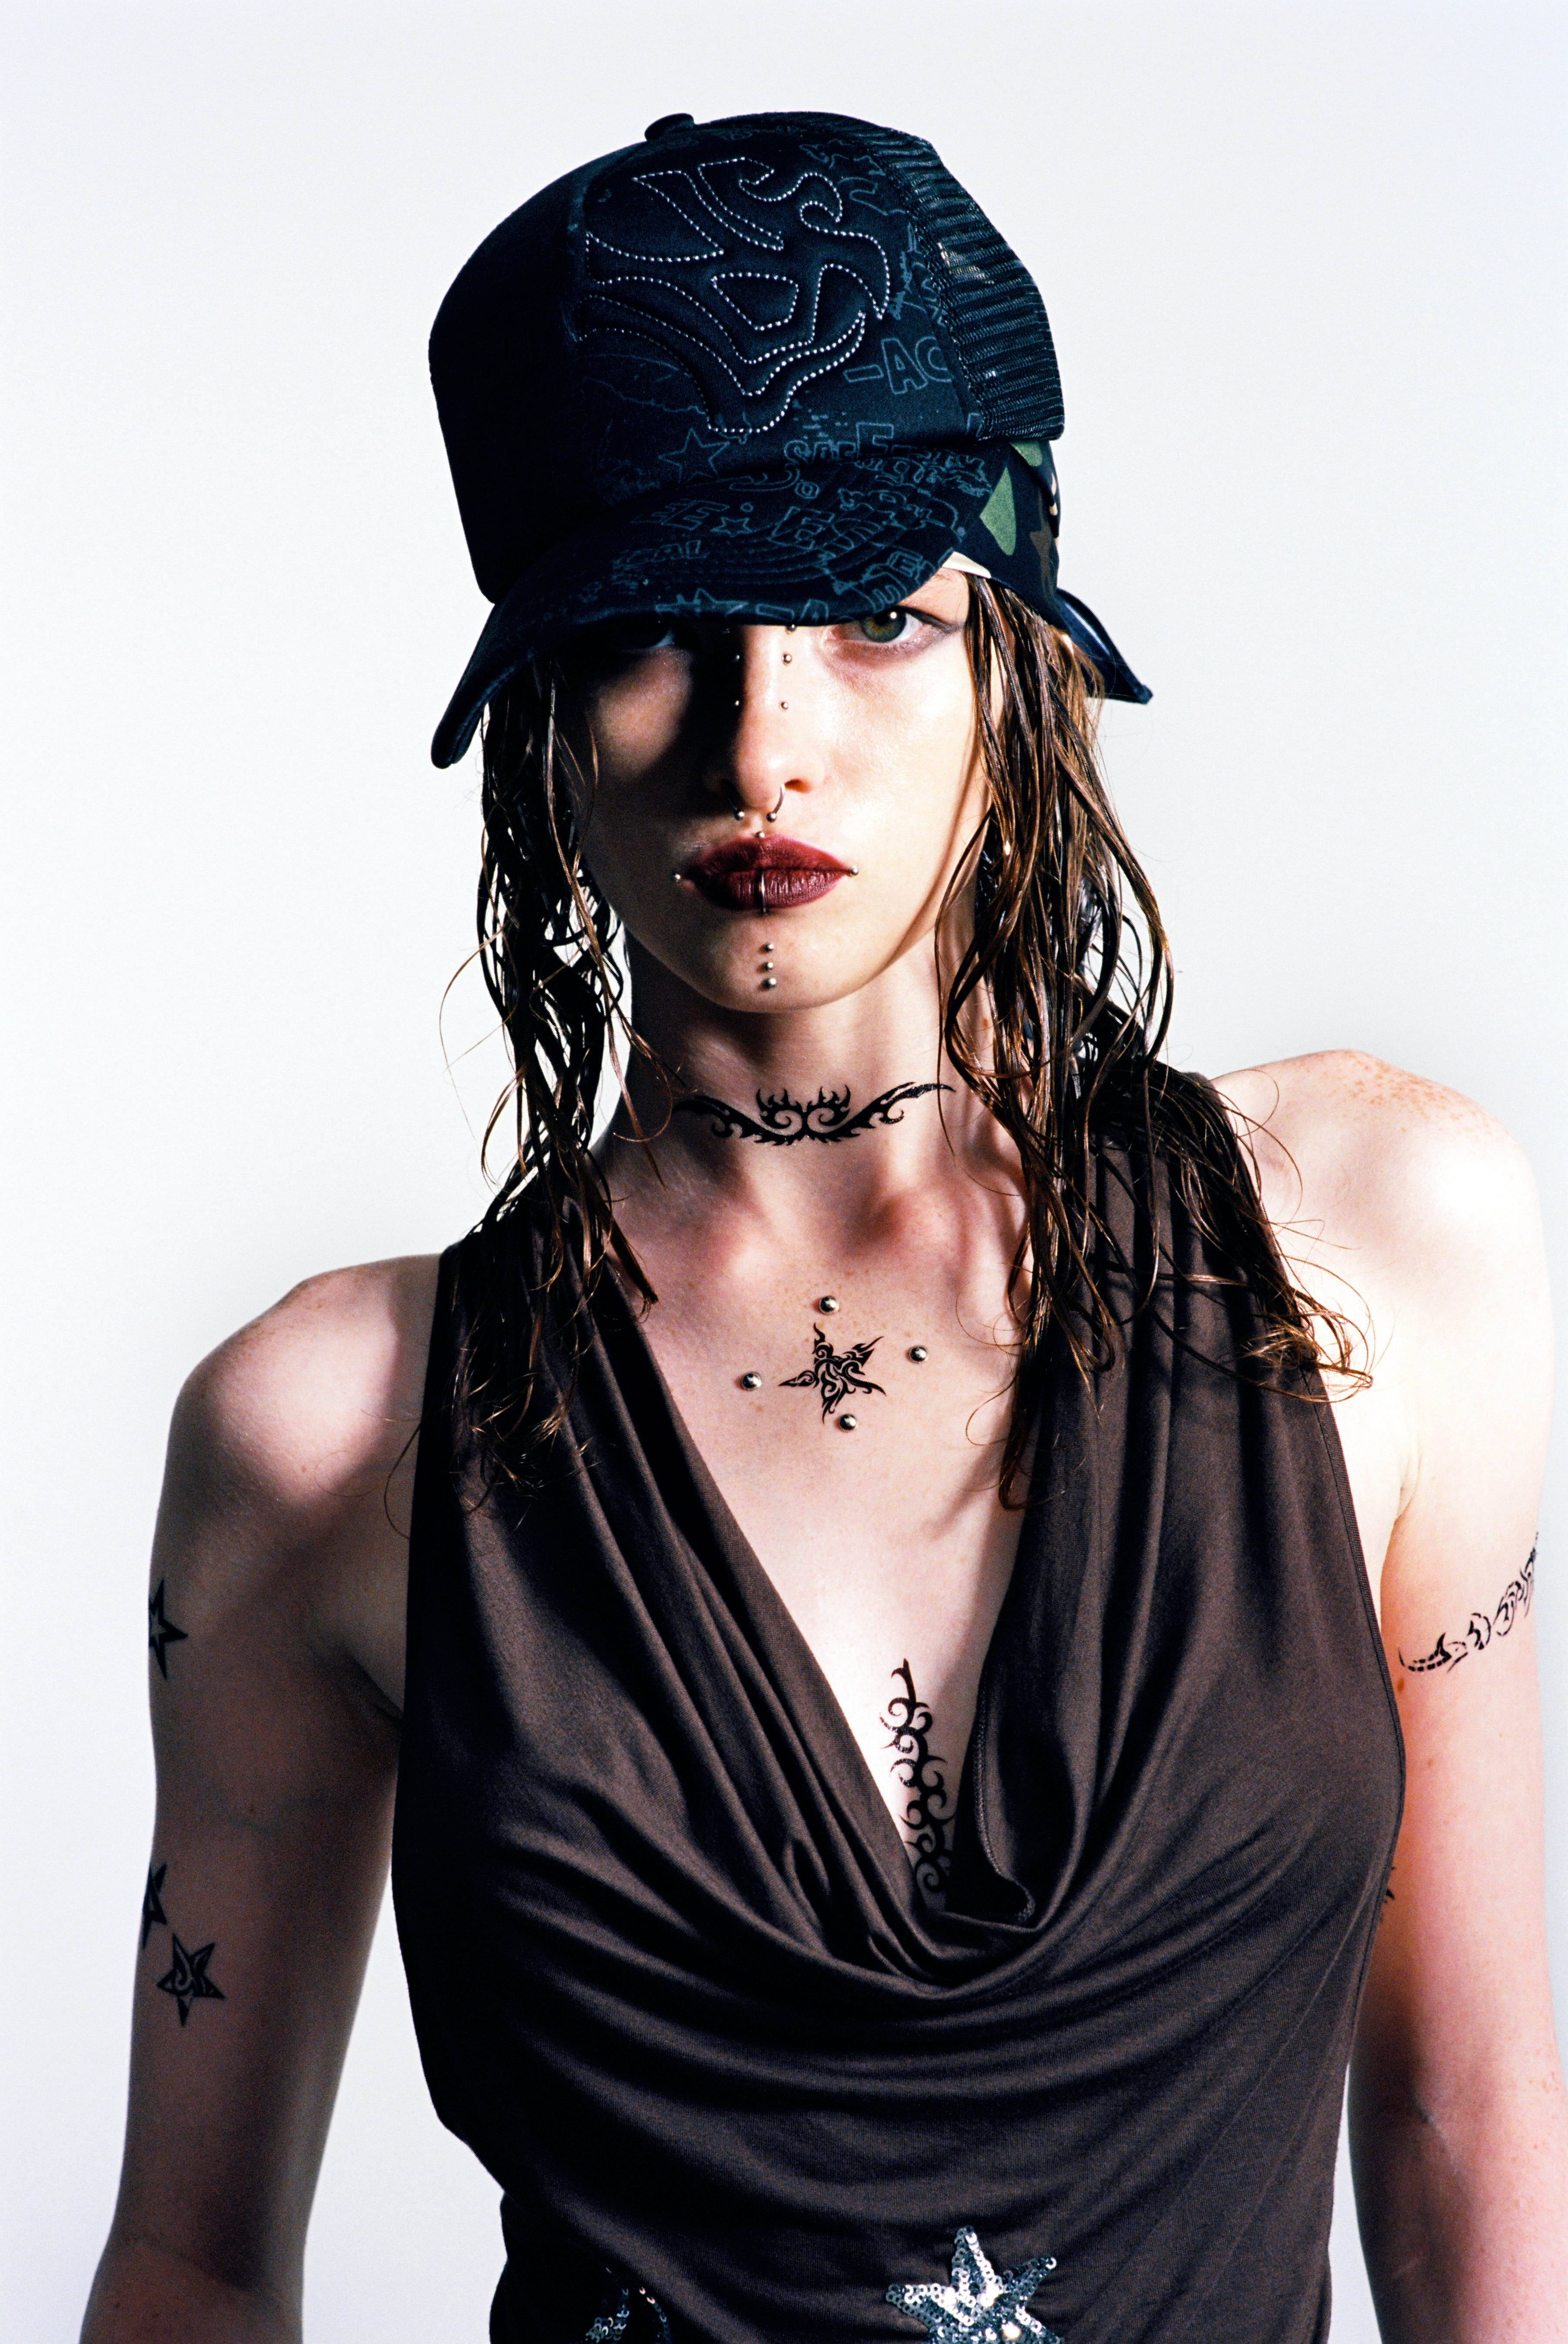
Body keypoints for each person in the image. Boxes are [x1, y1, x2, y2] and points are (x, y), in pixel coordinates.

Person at [82, 109, 1566, 2344]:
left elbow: (1465, 2102)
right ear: (543, 709)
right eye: (652, 626)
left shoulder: (1382, 1246)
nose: (761, 739)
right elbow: (195, 2264)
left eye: (872, 611)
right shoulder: (326, 1436)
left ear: (1013, 655)